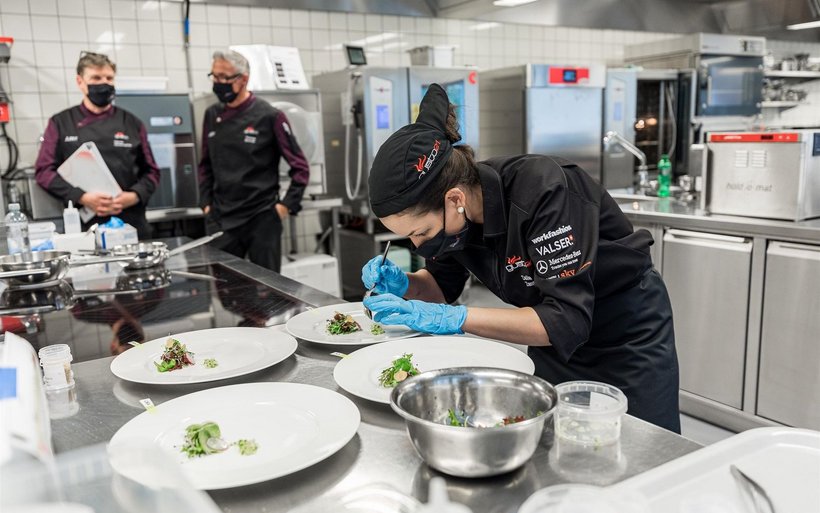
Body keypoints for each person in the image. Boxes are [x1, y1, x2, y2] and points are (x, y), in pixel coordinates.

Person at [362, 84, 681, 432]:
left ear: (455, 199)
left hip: (624, 336)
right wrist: (406, 285)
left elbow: (566, 319)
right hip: (550, 341)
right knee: (555, 441)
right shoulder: (456, 221)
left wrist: (455, 318)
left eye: (421, 231)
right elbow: (441, 286)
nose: (417, 243)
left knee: (641, 446)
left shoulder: (543, 190)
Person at [198, 50, 310, 272]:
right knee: (225, 285)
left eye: (224, 77)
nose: (218, 83)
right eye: (214, 76)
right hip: (222, 219)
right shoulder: (211, 115)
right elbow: (205, 165)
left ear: (244, 79)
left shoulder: (269, 116)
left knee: (269, 287)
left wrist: (284, 207)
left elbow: (300, 168)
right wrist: (206, 204)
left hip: (261, 218)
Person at [35, 51, 160, 238]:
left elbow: (152, 172)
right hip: (84, 230)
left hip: (131, 225)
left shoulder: (132, 123)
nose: (104, 83)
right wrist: (81, 197)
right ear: (80, 81)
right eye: (96, 78)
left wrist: (133, 196)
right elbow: (44, 171)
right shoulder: (61, 123)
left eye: (109, 78)